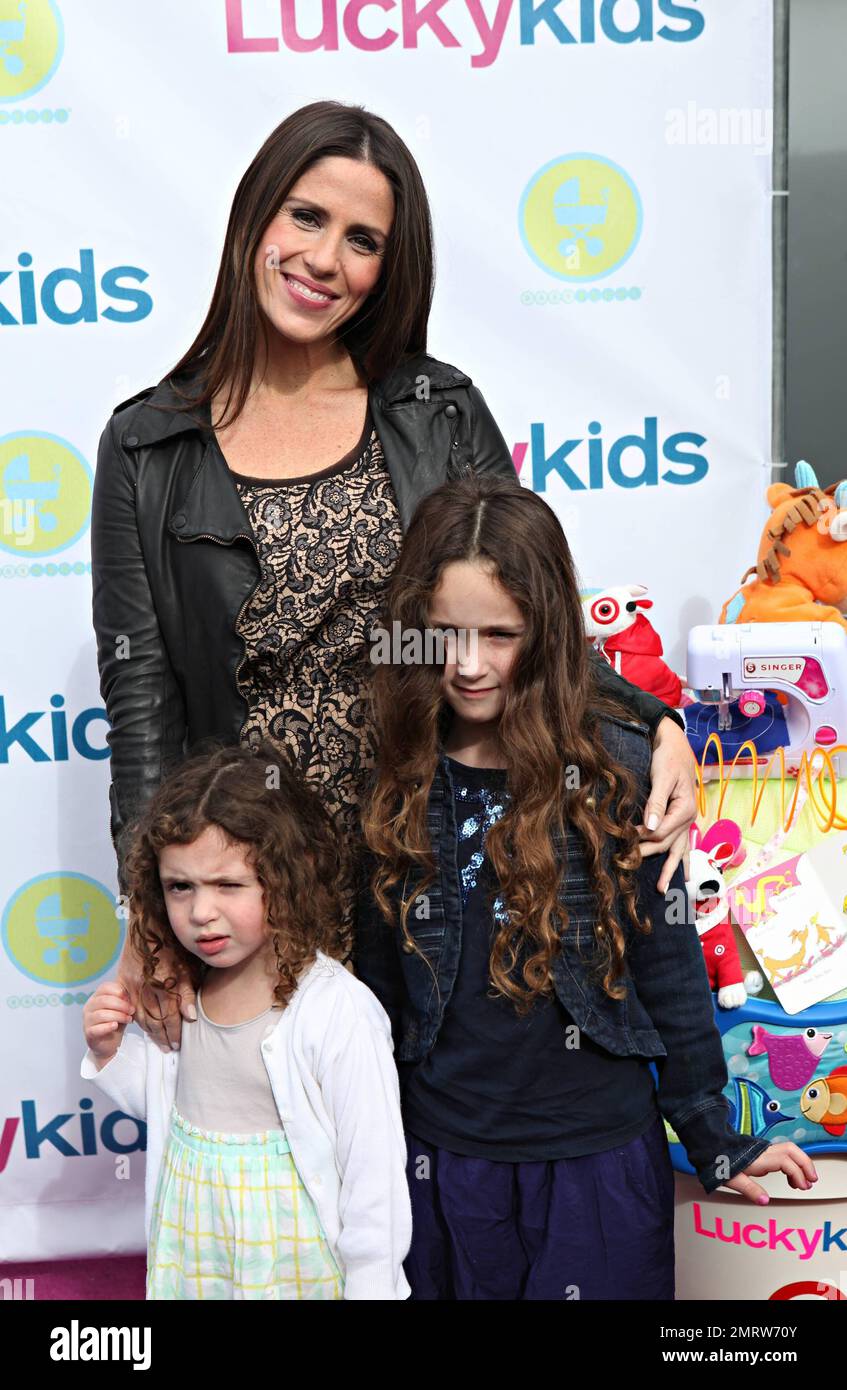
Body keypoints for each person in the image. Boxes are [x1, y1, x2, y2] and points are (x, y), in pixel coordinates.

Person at [90, 99, 698, 1051]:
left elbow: (525, 619)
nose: (325, 258)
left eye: (362, 239)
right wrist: (150, 913)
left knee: (435, 1175)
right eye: (306, 216)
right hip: (259, 893)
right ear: (254, 216)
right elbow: (142, 703)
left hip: (433, 868)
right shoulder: (146, 444)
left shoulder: (434, 410)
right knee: (270, 1184)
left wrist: (651, 721)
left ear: (388, 269)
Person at [354, 476, 818, 1302]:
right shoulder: (397, 771)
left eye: (499, 635)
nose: (467, 664)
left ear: (548, 635)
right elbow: (377, 990)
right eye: (444, 635)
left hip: (595, 1170)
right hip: (438, 1168)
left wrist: (714, 1136)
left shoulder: (617, 765)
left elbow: (669, 969)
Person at [81, 740, 411, 1301]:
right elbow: (172, 1106)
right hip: (194, 1245)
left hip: (289, 1258)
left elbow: (372, 1179)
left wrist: (373, 1289)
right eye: (179, 886)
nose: (200, 912)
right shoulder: (185, 988)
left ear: (288, 877)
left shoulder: (336, 1009)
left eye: (228, 885)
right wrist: (110, 1052)